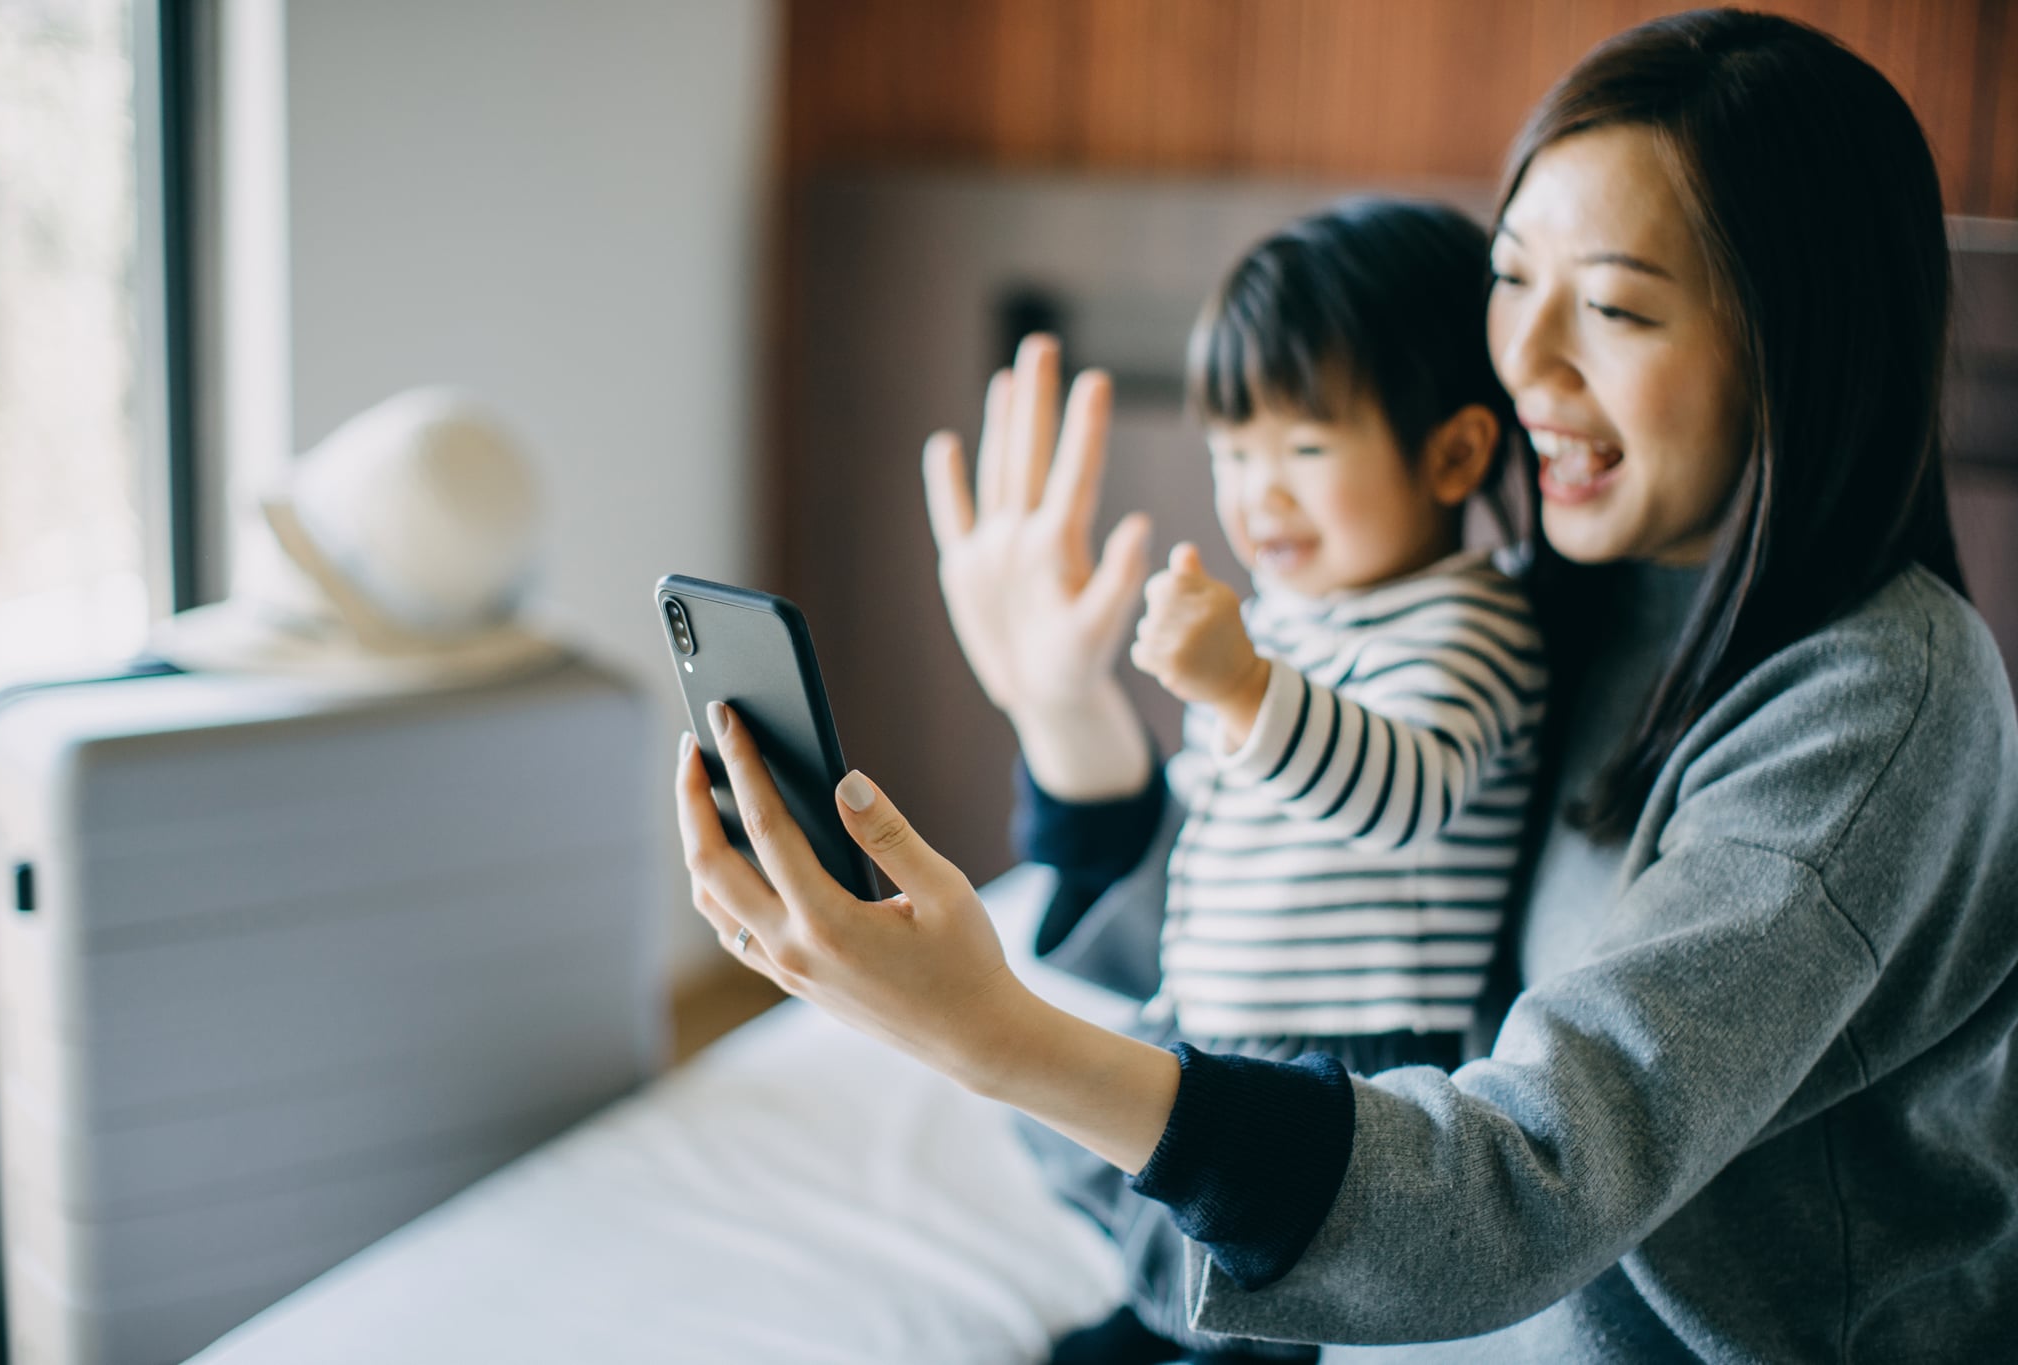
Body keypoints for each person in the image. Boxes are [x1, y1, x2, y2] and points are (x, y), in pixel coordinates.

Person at [677, 9, 2018, 1360]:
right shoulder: (1552, 595)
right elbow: (1278, 940)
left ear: (1800, 343)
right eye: (1511, 279)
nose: (1527, 365)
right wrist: (1064, 714)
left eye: (1613, 307)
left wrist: (996, 1037)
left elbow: (1526, 1182)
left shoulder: (1870, 705)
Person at [1025, 198, 1546, 1365]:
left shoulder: (1467, 625)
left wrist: (1241, 688)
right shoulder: (1298, 620)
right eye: (1232, 452)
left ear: (1453, 452)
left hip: (1356, 1046)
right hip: (1234, 1015)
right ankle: (1160, 1320)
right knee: (1152, 1197)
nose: (1258, 494)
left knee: (1270, 1272)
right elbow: (1224, 818)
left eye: (1305, 449)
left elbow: (1403, 795)